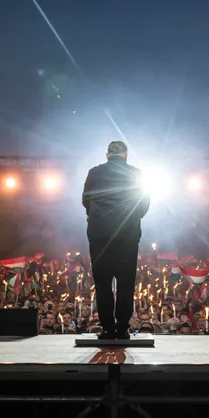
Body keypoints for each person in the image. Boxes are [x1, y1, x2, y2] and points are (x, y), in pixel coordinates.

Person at [81, 140, 150, 340]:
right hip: (127, 236)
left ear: (107, 155)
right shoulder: (136, 173)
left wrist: (98, 217)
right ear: (126, 155)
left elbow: (86, 200)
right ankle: (122, 328)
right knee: (126, 282)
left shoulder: (95, 172)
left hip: (100, 235)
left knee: (102, 283)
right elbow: (144, 203)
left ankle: (107, 328)